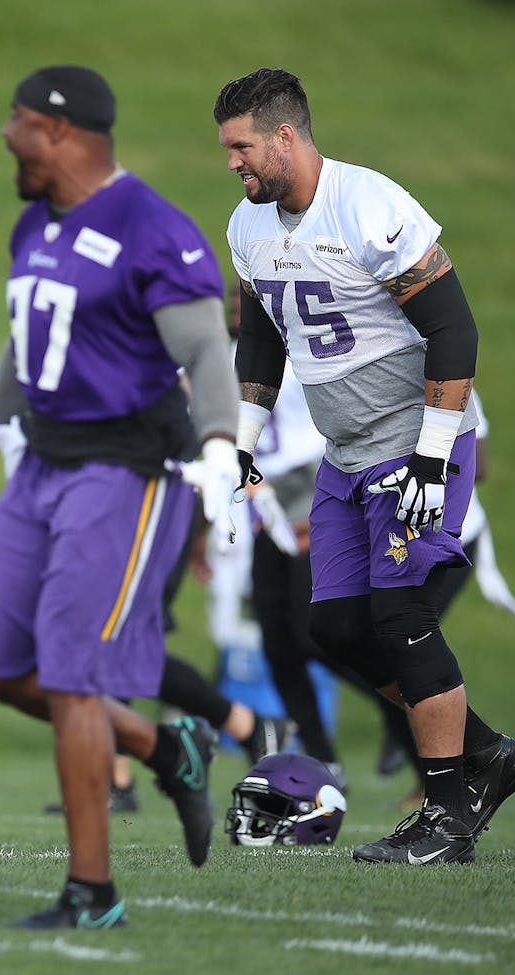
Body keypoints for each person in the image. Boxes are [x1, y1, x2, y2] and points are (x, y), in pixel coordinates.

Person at [0, 66, 240, 928]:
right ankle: (167, 745)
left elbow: (204, 354)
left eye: (15, 123)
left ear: (59, 131)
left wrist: (223, 448)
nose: (4, 138)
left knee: (76, 677)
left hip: (124, 471)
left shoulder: (152, 227)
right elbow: (29, 347)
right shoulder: (32, 226)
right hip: (41, 466)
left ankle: (92, 894)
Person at [214, 67, 515, 864]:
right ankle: (486, 753)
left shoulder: (368, 206)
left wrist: (433, 452)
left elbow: (454, 330)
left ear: (285, 136)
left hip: (415, 439)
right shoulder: (249, 228)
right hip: (346, 452)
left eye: (242, 147)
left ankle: (448, 813)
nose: (234, 164)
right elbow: (263, 337)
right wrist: (241, 435)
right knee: (335, 626)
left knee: (400, 615)